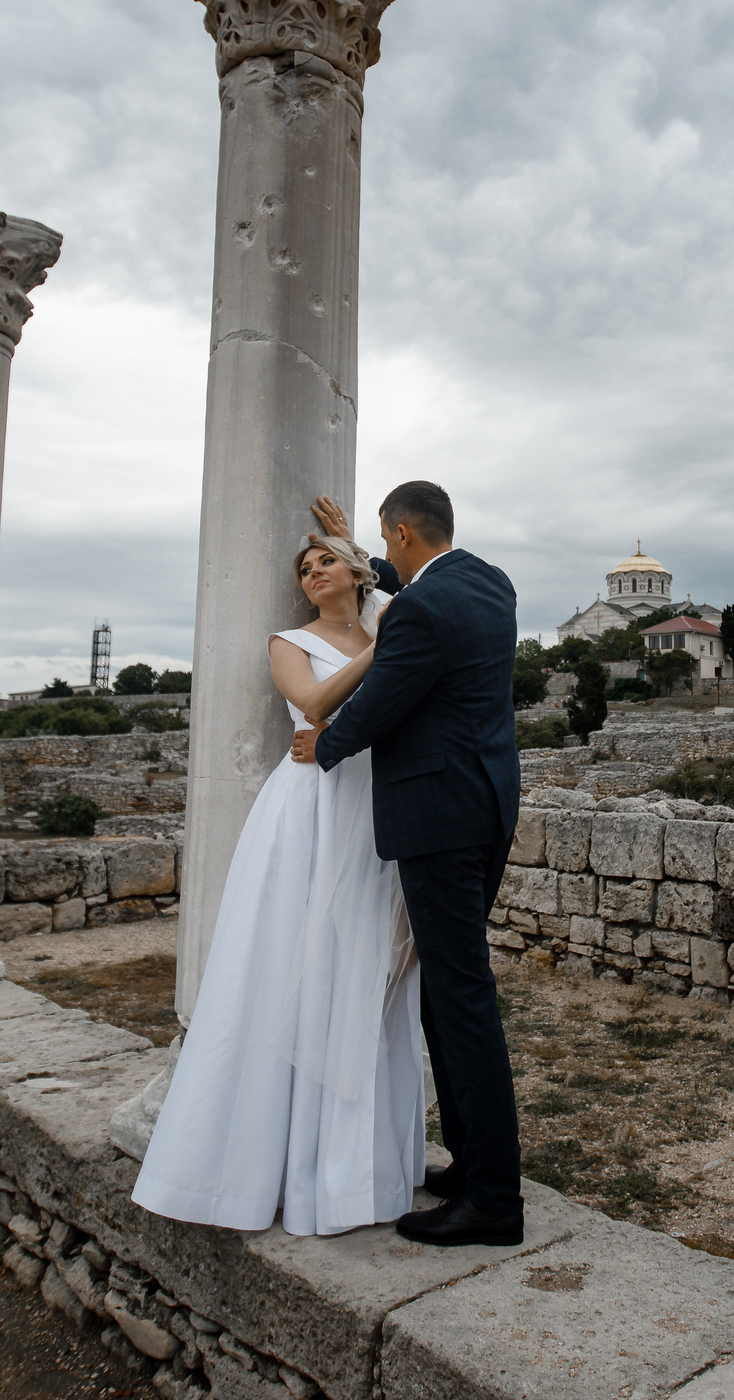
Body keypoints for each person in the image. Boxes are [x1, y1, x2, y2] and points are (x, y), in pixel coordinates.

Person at [133, 527, 426, 1238]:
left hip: (376, 808)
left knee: (369, 974)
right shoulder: (287, 641)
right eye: (304, 567)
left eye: (327, 560)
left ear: (358, 573)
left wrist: (378, 595)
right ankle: (274, 1167)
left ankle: (359, 1172)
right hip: (310, 808)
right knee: (292, 968)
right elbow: (316, 703)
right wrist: (384, 651)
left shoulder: (392, 620)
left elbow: (411, 610)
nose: (314, 572)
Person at [292, 483, 524, 1247]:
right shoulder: (489, 583)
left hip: (438, 818)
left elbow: (384, 697)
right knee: (445, 993)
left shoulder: (423, 611)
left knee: (459, 997)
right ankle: (472, 1159)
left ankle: (493, 1198)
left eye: (386, 546)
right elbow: (405, 588)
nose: (384, 559)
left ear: (402, 531)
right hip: (486, 805)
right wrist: (358, 549)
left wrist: (321, 743)